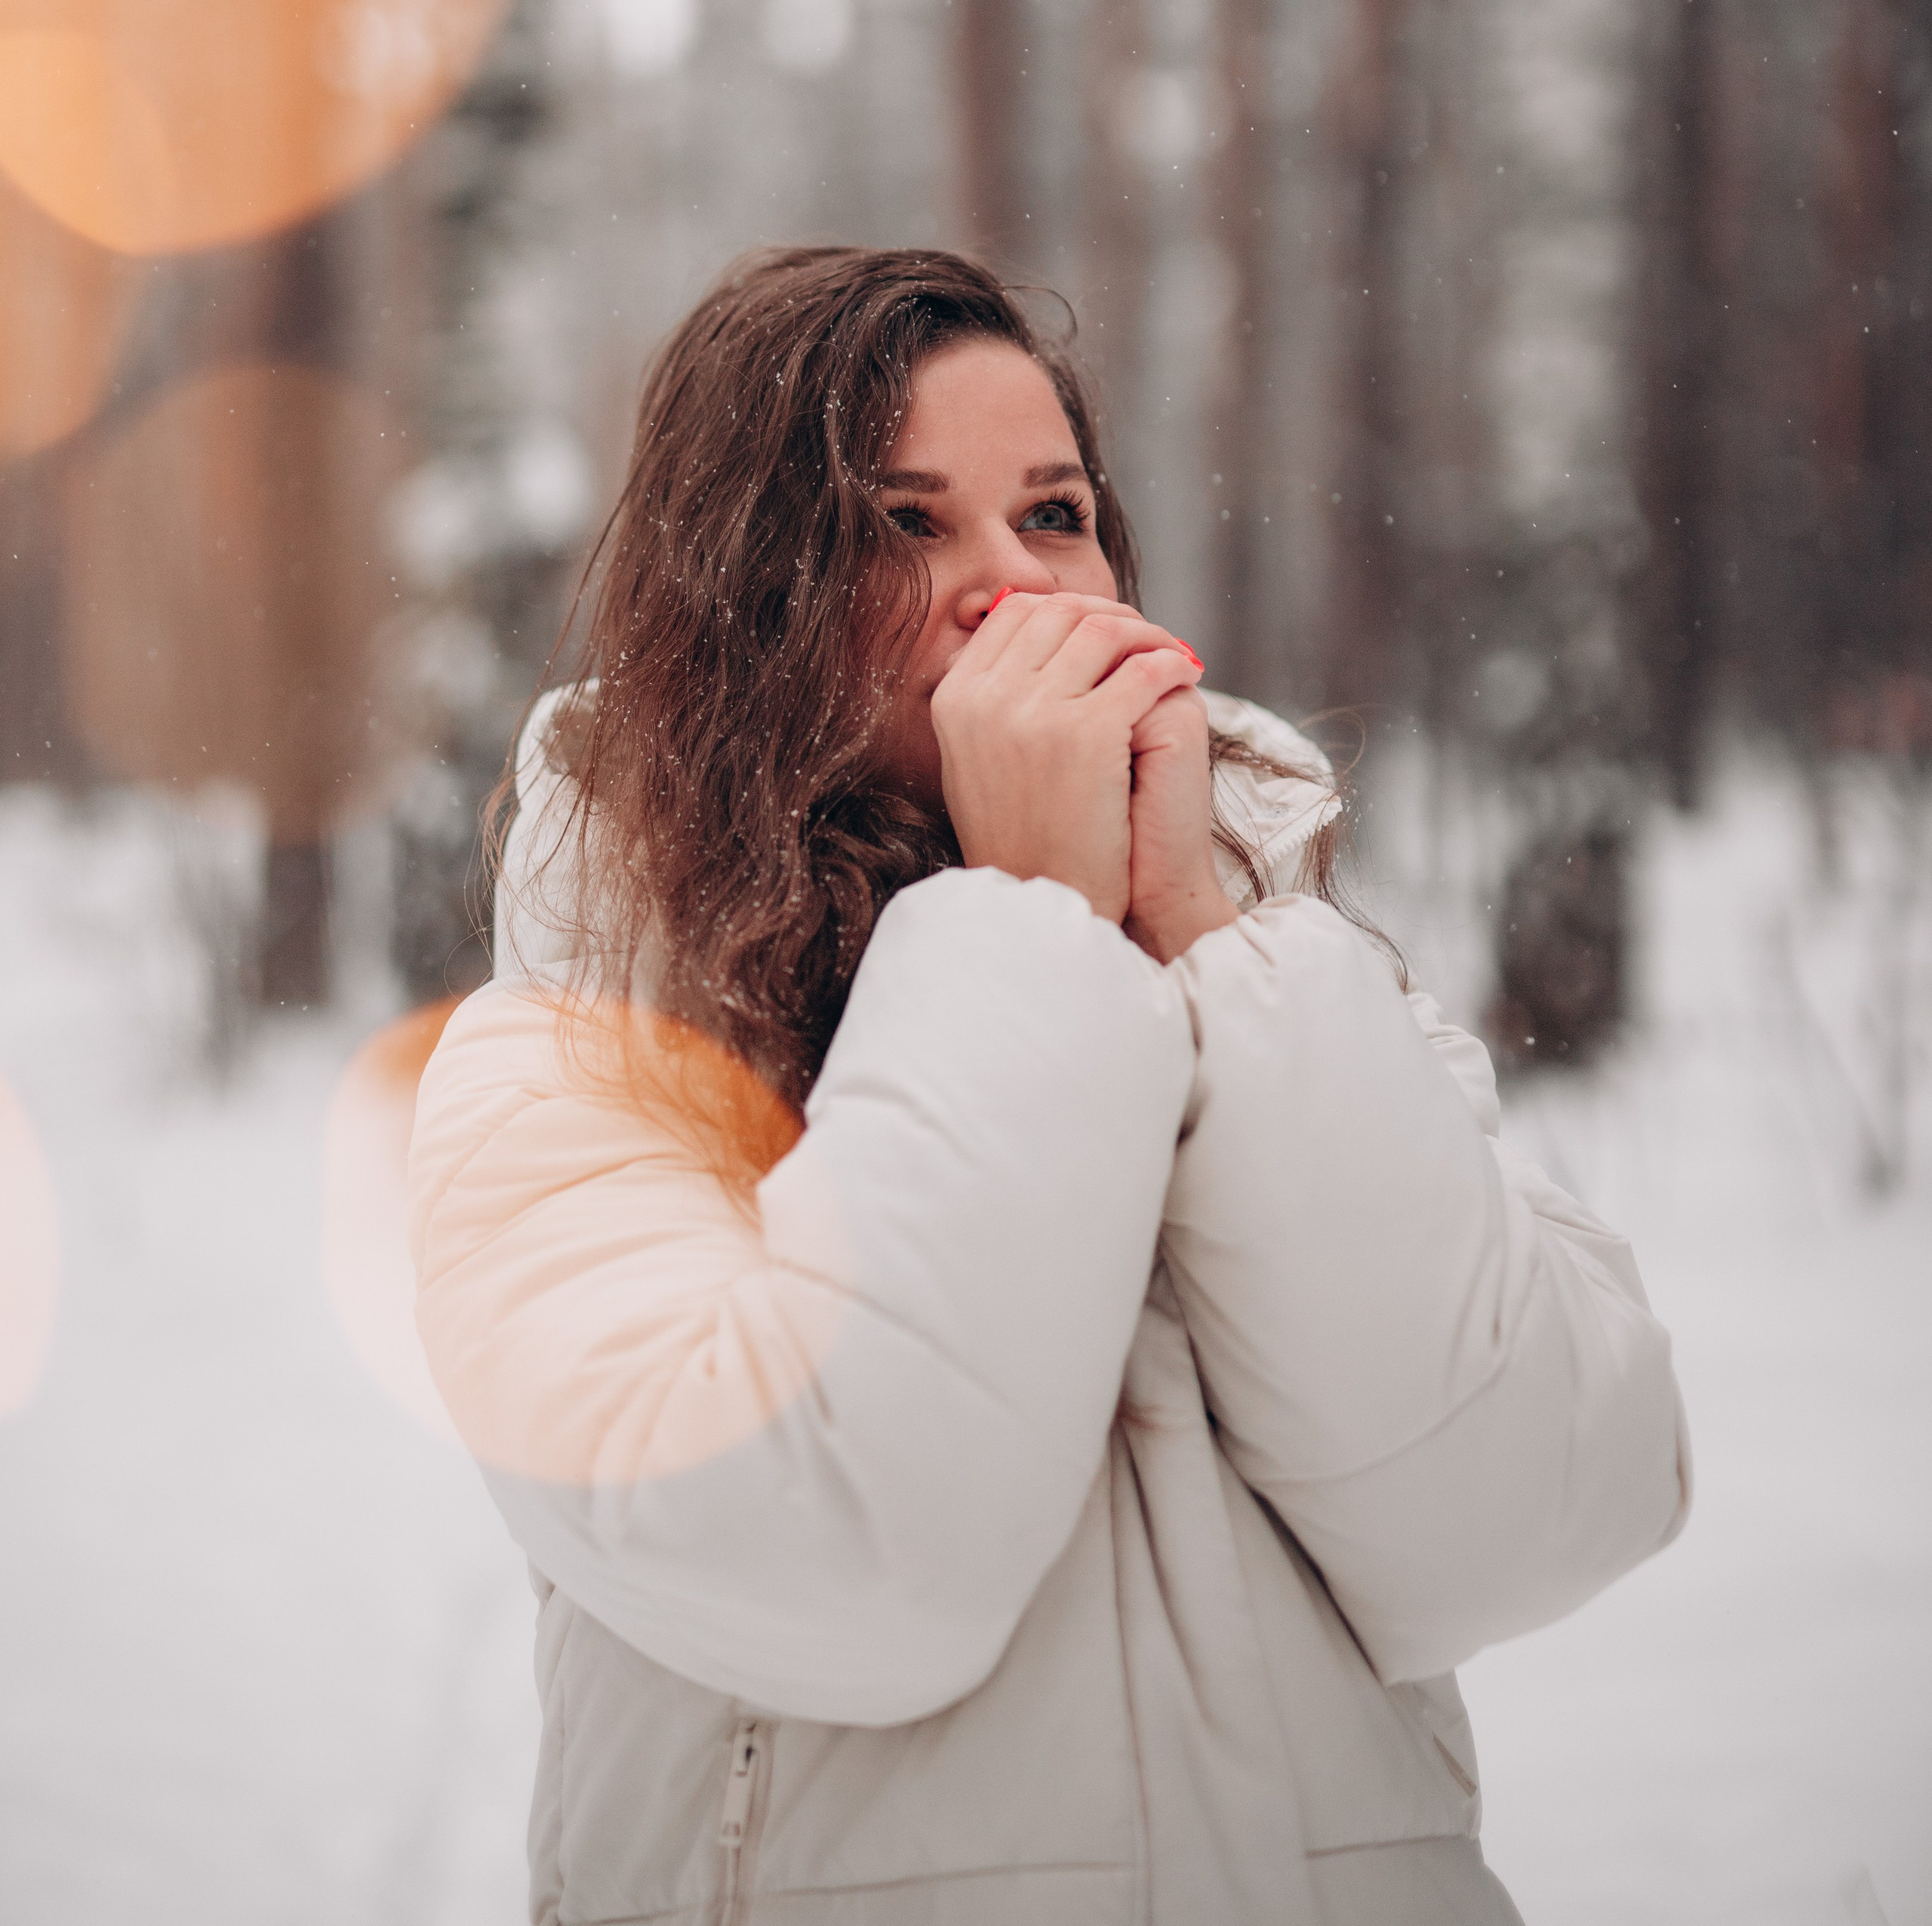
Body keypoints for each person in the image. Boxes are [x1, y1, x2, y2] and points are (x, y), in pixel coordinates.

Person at [409, 244, 1690, 1926]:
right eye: (900, 521)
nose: (1005, 581)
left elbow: (1527, 1519)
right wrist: (1017, 922)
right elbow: (856, 1566)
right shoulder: (575, 1071)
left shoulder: (1286, 990)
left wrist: (1196, 941)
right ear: (735, 597)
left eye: (1054, 512)